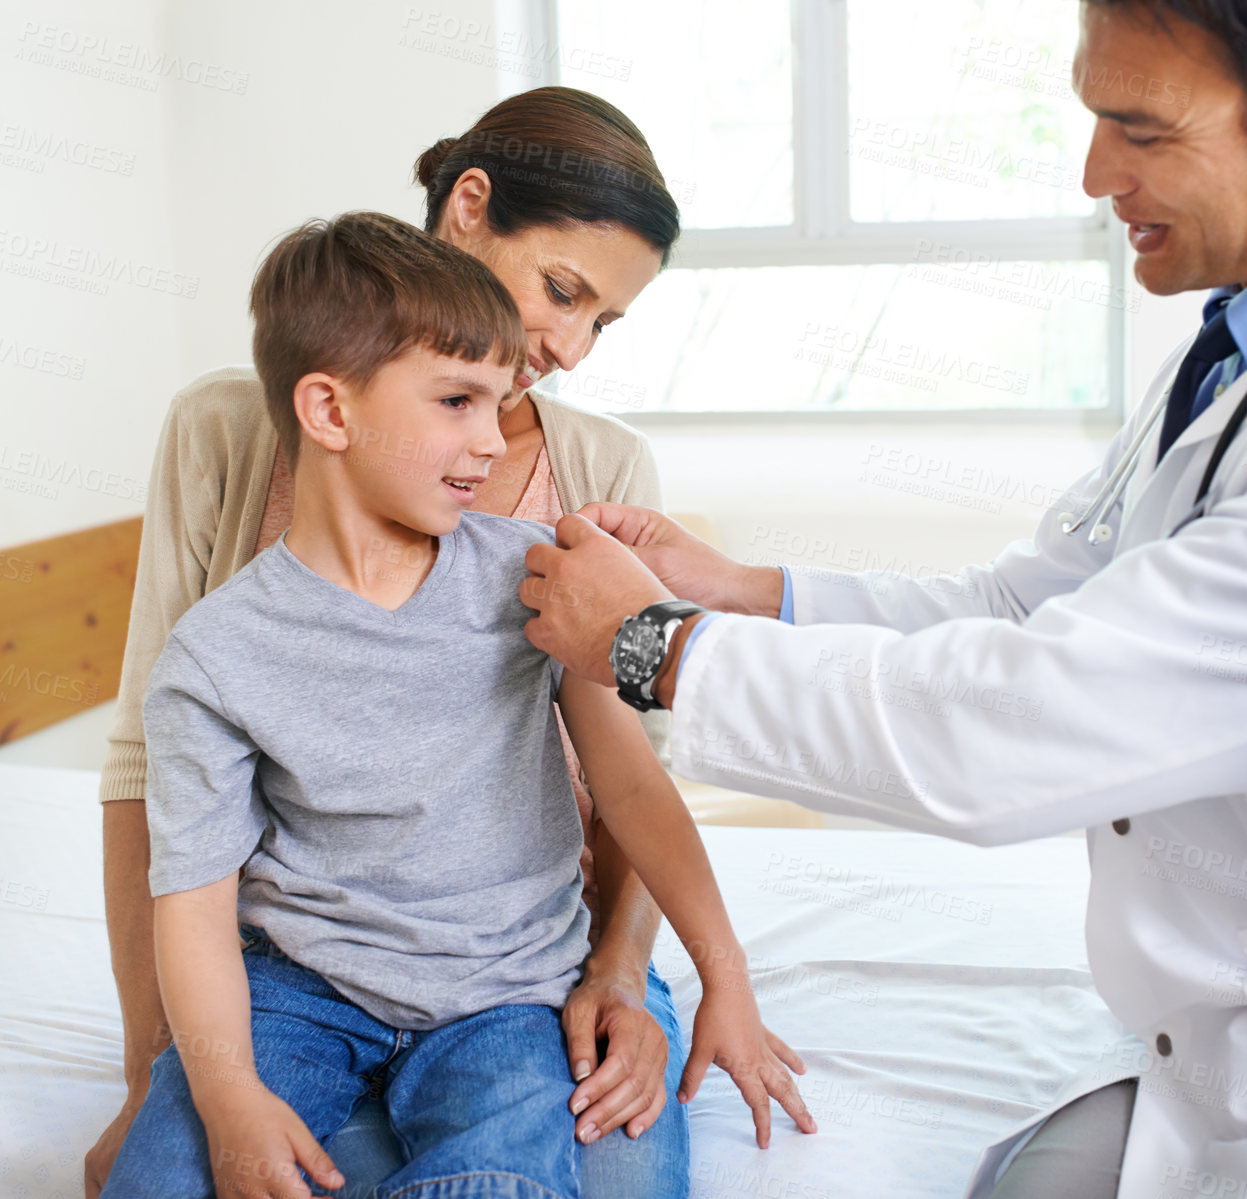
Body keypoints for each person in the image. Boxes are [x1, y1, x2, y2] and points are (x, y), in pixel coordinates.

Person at [513, 1, 1247, 1195]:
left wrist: (655, 645)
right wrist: (745, 592)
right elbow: (1031, 609)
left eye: (1141, 129)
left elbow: (1029, 723)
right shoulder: (1245, 351)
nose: (1094, 171)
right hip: (1241, 1056)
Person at [99, 212, 814, 1199]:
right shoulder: (214, 657)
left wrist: (725, 974)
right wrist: (224, 1096)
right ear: (328, 410)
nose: (490, 439)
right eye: (457, 401)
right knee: (162, 1176)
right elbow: (194, 902)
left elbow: (635, 789)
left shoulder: (535, 577)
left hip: (509, 995)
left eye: (498, 403)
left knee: (500, 1181)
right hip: (300, 992)